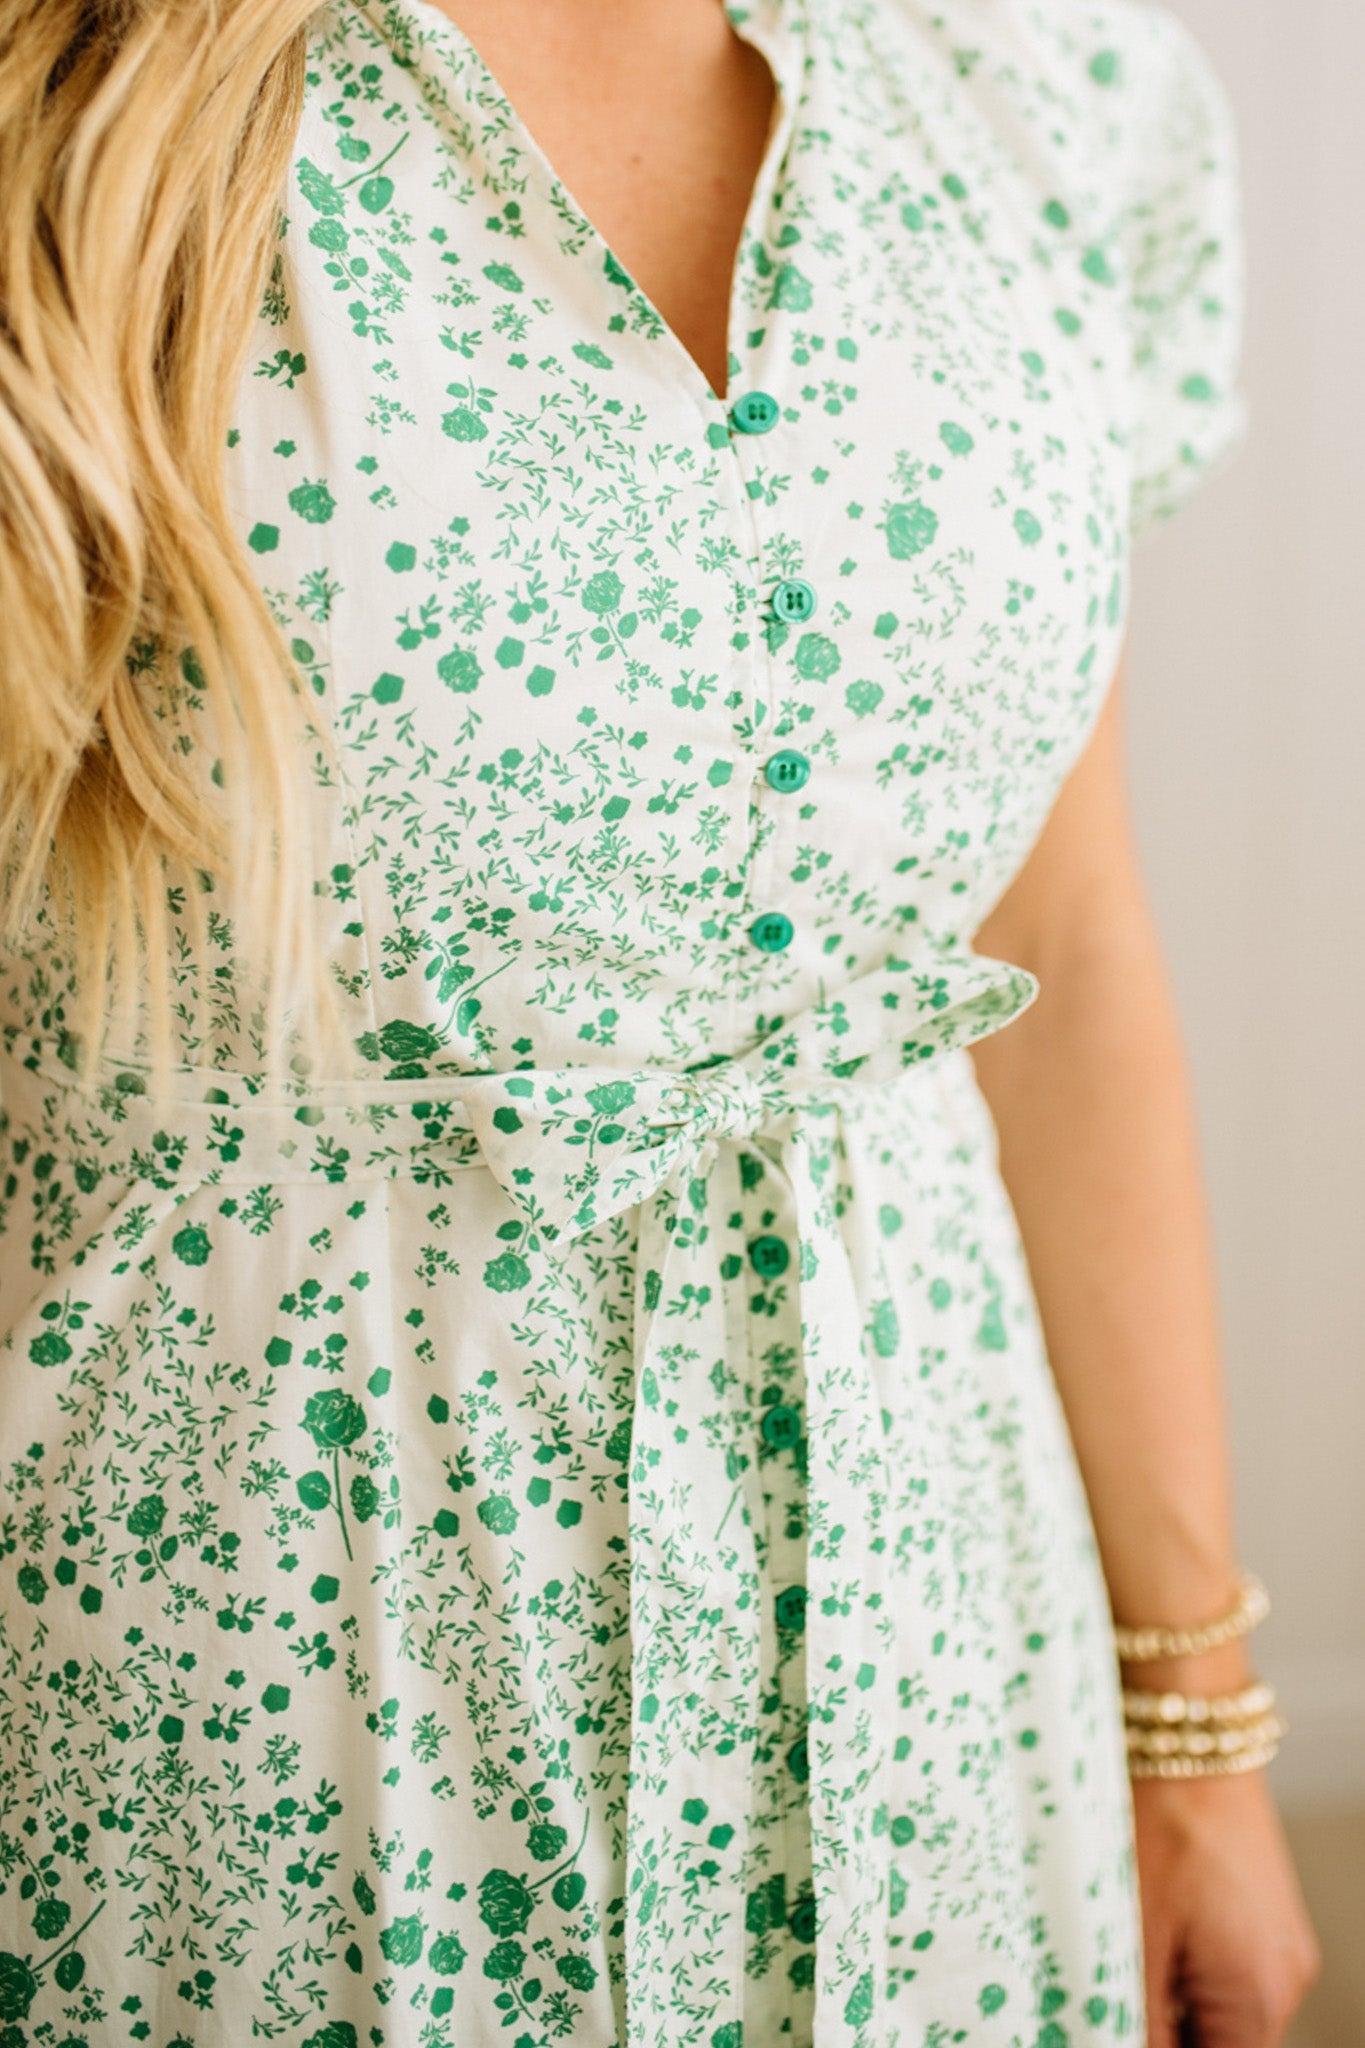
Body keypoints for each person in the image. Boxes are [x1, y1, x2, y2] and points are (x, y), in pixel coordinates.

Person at [0, 0, 1322, 2043]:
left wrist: (1191, 1724)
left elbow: (1054, 938)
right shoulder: (71, 98)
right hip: (248, 1651)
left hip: (928, 1637)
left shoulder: (1039, 89)